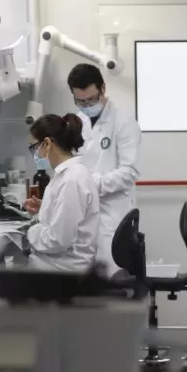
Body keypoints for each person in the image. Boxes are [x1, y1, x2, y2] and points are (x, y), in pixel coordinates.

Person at [68, 63, 141, 275]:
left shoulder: (124, 122)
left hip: (113, 217)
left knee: (112, 278)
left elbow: (130, 171)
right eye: (80, 101)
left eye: (91, 99)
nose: (86, 105)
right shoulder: (76, 122)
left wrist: (92, 184)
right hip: (84, 216)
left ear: (103, 89)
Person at [23, 114, 100, 272]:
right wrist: (46, 207)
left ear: (47, 143)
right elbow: (68, 216)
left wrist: (29, 232)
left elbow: (58, 240)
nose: (35, 155)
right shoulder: (67, 174)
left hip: (63, 270)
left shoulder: (71, 179)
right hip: (58, 264)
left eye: (34, 148)